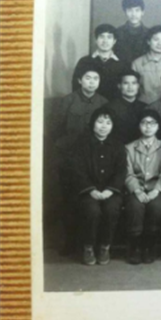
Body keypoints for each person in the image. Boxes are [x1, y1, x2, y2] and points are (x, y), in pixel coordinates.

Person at [52, 65, 109, 257]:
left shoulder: (103, 102)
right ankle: (70, 241)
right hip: (68, 157)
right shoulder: (68, 101)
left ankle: (89, 243)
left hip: (93, 160)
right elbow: (55, 129)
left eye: (96, 79)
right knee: (69, 199)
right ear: (79, 80)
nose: (92, 82)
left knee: (90, 201)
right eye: (88, 78)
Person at [69, 107, 126, 266]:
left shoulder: (118, 145)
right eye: (100, 122)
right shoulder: (81, 144)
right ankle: (88, 247)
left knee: (111, 209)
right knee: (92, 210)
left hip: (111, 191)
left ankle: (104, 247)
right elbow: (77, 170)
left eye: (108, 123)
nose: (103, 126)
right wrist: (91, 190)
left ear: (113, 126)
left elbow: (121, 171)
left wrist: (110, 190)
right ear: (92, 123)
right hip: (87, 191)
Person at [124, 109, 161, 265]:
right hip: (137, 189)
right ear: (138, 125)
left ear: (158, 126)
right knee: (135, 207)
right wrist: (136, 190)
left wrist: (157, 190)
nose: (148, 127)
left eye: (152, 123)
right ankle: (135, 247)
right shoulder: (129, 147)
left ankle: (149, 247)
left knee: (157, 206)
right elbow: (127, 173)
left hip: (156, 189)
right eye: (144, 123)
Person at [71, 24, 128, 101]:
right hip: (89, 104)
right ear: (96, 40)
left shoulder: (122, 64)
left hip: (115, 105)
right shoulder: (84, 61)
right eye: (101, 37)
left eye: (109, 37)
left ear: (114, 41)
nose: (105, 41)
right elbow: (76, 86)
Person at [132, 25, 161, 104]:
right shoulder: (137, 63)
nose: (159, 44)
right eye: (156, 39)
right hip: (143, 105)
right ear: (148, 41)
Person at [106, 70, 148, 145]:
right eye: (126, 83)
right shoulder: (109, 108)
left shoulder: (145, 108)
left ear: (138, 86)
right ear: (119, 86)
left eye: (134, 83)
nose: (130, 87)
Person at [115, 0, 149, 66]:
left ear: (143, 12)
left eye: (137, 10)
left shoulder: (150, 33)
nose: (134, 14)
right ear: (125, 12)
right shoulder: (117, 32)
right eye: (130, 10)